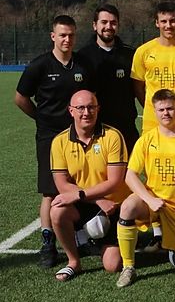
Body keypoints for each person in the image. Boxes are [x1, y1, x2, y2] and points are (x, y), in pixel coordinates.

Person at [14, 14, 92, 268]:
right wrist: (40, 118)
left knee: (77, 184)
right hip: (49, 136)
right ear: (53, 37)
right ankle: (48, 243)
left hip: (76, 135)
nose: (67, 39)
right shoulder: (39, 66)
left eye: (71, 35)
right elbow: (20, 98)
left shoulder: (82, 65)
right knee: (50, 190)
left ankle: (80, 238)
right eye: (62, 35)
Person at [115, 89, 175, 288]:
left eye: (170, 108)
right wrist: (149, 199)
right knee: (127, 207)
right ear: (154, 112)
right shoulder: (147, 139)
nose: (166, 113)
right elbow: (130, 175)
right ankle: (128, 267)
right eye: (161, 110)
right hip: (154, 202)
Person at [49, 90, 129, 282]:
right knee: (57, 211)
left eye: (91, 107)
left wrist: (88, 196)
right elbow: (62, 184)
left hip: (113, 206)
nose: (86, 112)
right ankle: (73, 261)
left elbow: (115, 181)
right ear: (71, 111)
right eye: (80, 108)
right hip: (86, 203)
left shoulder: (113, 136)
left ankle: (98, 239)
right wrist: (96, 199)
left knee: (112, 266)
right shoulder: (59, 141)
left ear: (98, 109)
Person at [78, 4, 140, 151]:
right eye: (104, 22)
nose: (109, 27)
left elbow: (138, 88)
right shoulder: (82, 56)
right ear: (95, 25)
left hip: (126, 128)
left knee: (130, 166)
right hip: (95, 129)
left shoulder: (130, 55)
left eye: (113, 23)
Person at [131, 1, 175, 133]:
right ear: (157, 23)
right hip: (152, 122)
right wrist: (152, 107)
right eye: (163, 21)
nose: (168, 25)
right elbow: (138, 86)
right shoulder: (143, 51)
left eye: (172, 21)